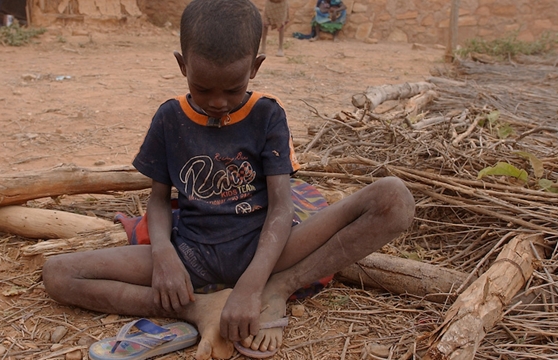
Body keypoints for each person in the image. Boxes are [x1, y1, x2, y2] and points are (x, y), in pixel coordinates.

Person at [41, 0, 414, 359]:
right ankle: (199, 309)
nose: (218, 102)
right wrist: (165, 255)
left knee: (394, 198)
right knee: (58, 274)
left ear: (255, 66)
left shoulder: (267, 115)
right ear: (181, 64)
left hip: (269, 252)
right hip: (192, 255)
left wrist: (253, 285)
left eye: (231, 89)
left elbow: (282, 206)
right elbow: (157, 199)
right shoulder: (170, 118)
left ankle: (278, 290)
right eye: (203, 89)